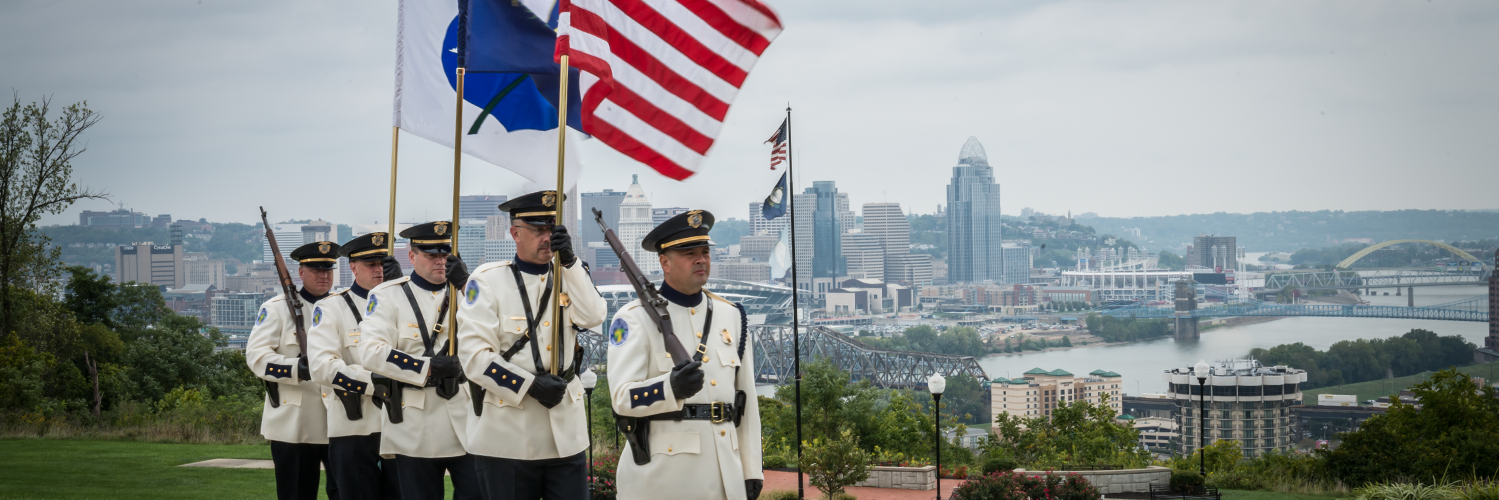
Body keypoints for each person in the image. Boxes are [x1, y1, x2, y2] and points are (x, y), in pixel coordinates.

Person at [456, 191, 606, 500]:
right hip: (508, 435)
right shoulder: (486, 282)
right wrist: (529, 386)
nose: (546, 238)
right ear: (515, 232)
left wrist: (572, 263)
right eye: (538, 230)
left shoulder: (571, 276)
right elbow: (474, 358)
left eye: (551, 229)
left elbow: (593, 316)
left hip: (565, 435)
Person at [606, 210, 763, 500]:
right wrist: (670, 388)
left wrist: (752, 469)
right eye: (689, 253)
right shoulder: (632, 319)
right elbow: (621, 398)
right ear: (664, 262)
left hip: (725, 473)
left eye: (704, 252)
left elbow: (746, 401)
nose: (701, 259)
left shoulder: (732, 316)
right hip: (663, 478)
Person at [357, 221, 479, 500]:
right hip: (415, 422)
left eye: (444, 254)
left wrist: (465, 284)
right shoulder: (387, 295)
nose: (440, 261)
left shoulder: (467, 292)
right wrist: (426, 367)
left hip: (466, 417)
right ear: (412, 257)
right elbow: (371, 351)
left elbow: (495, 329)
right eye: (430, 255)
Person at [308, 232, 404, 500]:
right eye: (370, 264)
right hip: (354, 426)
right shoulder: (331, 308)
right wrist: (377, 383)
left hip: (401, 425)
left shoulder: (404, 306)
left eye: (382, 264)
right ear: (353, 267)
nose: (378, 270)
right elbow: (321, 366)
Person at [246, 240, 342, 500]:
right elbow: (256, 357)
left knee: (346, 491)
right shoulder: (276, 309)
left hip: (340, 417)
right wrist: (295, 368)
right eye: (316, 270)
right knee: (296, 493)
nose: (324, 276)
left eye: (328, 270)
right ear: (301, 273)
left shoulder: (344, 307)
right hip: (295, 421)